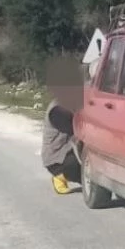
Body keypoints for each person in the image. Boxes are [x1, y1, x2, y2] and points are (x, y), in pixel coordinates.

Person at [41, 56, 85, 195]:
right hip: (57, 159)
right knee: (85, 163)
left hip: (66, 153)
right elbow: (75, 129)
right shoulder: (57, 110)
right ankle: (59, 177)